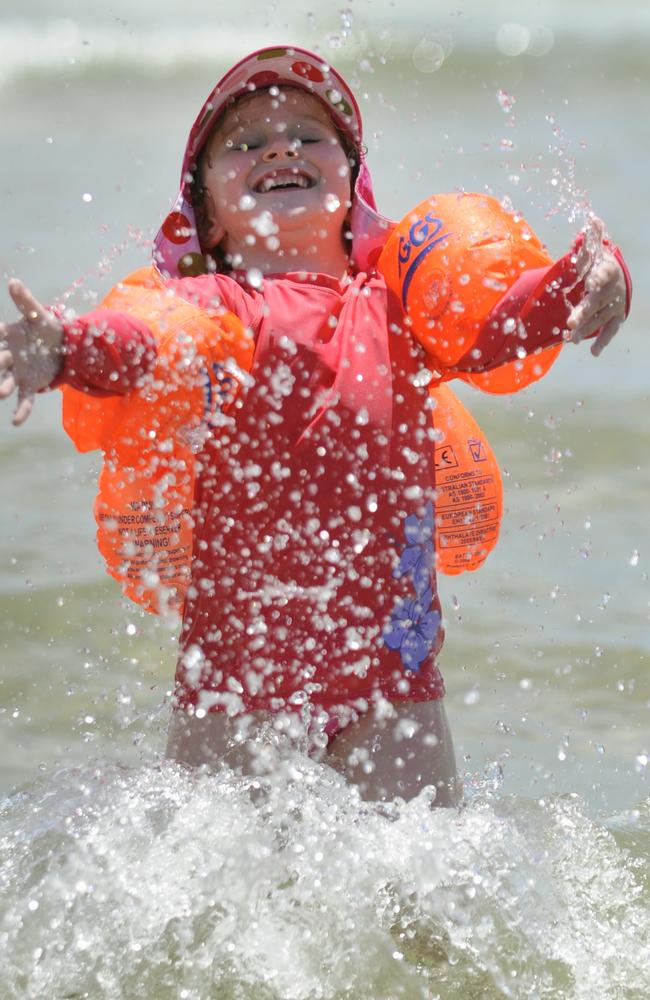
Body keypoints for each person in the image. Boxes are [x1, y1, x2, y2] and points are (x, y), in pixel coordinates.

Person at [0, 46, 630, 806]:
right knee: (220, 913)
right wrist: (66, 348)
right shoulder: (219, 309)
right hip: (236, 688)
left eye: (308, 134)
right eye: (244, 143)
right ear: (205, 212)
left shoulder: (401, 307)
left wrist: (587, 282)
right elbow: (146, 344)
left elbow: (494, 318)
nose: (278, 146)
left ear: (354, 184)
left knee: (422, 914)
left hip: (393, 683)